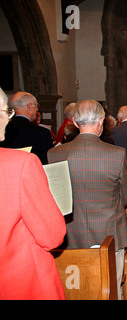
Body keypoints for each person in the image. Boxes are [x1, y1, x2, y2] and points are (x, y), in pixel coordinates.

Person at [47, 100, 127, 299]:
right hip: (109, 233)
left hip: (70, 235)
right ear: (101, 121)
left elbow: (54, 197)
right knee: (111, 288)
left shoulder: (54, 154)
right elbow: (125, 196)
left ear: (75, 122)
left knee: (74, 291)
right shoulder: (116, 154)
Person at [0, 88, 67, 300]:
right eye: (4, 111)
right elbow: (52, 236)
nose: (7, 118)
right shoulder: (21, 161)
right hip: (17, 279)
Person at [0, 91, 54, 164]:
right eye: (36, 106)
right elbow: (48, 164)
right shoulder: (42, 133)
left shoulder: (3, 130)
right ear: (30, 107)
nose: (37, 110)